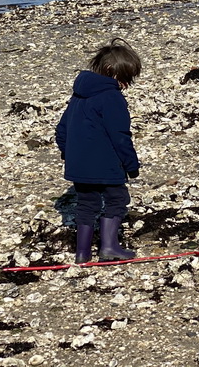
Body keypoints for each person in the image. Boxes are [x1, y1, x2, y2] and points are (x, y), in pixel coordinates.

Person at [55, 37, 143, 262]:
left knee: (86, 204)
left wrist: (69, 154)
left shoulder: (78, 95)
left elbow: (62, 129)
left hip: (79, 165)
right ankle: (109, 248)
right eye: (125, 78)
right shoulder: (111, 97)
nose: (126, 84)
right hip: (106, 165)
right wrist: (131, 166)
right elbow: (120, 136)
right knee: (117, 200)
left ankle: (82, 253)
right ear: (112, 71)